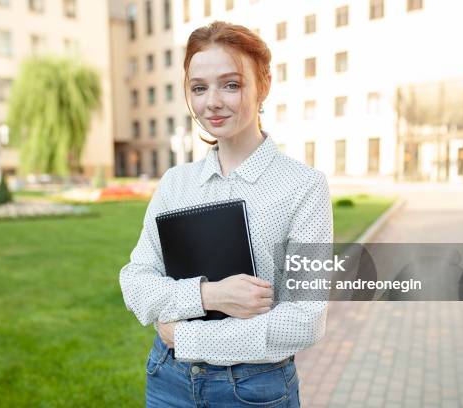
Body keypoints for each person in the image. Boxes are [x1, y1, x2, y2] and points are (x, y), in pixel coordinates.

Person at [119, 20, 333, 407]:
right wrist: (208, 295)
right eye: (199, 88)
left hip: (253, 389)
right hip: (167, 379)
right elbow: (136, 282)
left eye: (230, 84)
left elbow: (306, 319)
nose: (212, 102)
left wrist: (185, 336)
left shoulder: (304, 186)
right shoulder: (175, 183)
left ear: (263, 85)